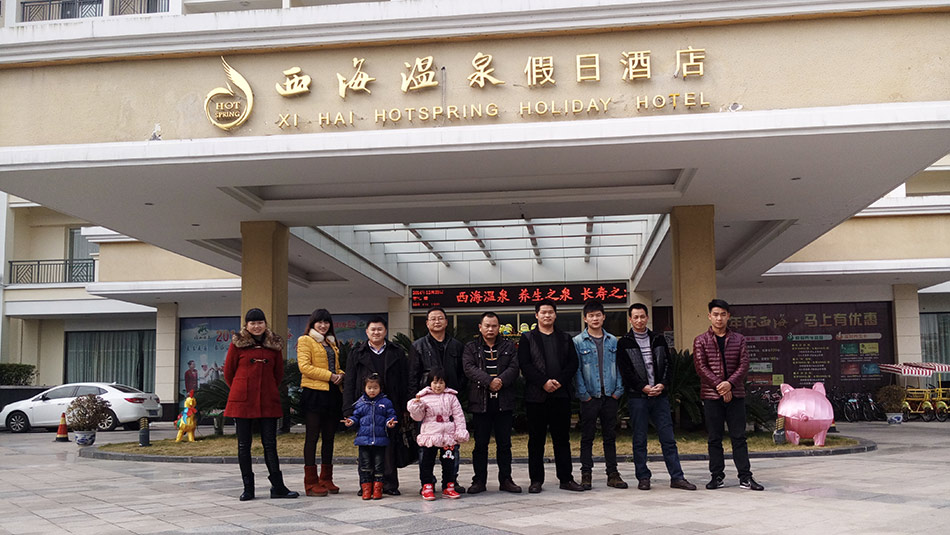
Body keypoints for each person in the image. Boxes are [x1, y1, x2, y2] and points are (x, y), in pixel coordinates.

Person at [617, 303, 697, 491]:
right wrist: (642, 387)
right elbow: (625, 371)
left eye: (642, 316)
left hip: (660, 396)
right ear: (630, 319)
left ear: (647, 318)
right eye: (635, 317)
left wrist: (663, 384)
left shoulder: (658, 339)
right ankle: (643, 477)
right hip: (638, 397)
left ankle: (677, 477)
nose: (639, 320)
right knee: (639, 439)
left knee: (668, 438)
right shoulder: (624, 343)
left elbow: (668, 364)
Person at [223, 308, 299, 501]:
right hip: (242, 401)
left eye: (260, 322)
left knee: (270, 444)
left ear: (265, 324)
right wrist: (242, 388)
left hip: (267, 401)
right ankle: (248, 488)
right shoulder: (237, 345)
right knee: (243, 446)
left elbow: (278, 374)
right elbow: (228, 373)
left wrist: (266, 388)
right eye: (253, 323)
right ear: (246, 325)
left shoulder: (274, 345)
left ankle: (278, 487)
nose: (257, 326)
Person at [693, 299, 764, 491]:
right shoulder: (701, 340)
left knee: (739, 437)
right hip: (711, 396)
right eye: (715, 314)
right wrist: (720, 386)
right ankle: (717, 476)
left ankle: (745, 477)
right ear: (709, 316)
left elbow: (744, 365)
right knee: (714, 438)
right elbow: (700, 367)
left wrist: (729, 384)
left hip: (736, 394)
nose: (719, 318)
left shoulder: (739, 339)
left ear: (728, 316)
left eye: (723, 314)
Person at [518, 299, 583, 493]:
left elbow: (573, 363)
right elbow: (525, 365)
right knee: (536, 440)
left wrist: (559, 381)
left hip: (561, 395)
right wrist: (543, 382)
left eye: (550, 312)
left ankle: (566, 479)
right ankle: (536, 480)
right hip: (536, 397)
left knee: (562, 439)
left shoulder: (565, 338)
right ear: (536, 315)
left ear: (555, 315)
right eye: (543, 312)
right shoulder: (527, 338)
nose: (547, 315)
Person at [342, 316, 409, 495]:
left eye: (380, 329)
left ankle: (389, 484)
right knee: (366, 447)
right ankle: (366, 484)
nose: (376, 332)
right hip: (364, 407)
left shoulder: (396, 352)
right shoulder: (357, 353)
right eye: (373, 329)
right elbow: (349, 382)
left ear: (385, 331)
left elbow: (404, 380)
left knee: (389, 446)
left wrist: (404, 407)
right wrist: (348, 409)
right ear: (367, 332)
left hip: (389, 406)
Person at [462, 311, 522, 494]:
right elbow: (469, 368)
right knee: (480, 444)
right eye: (487, 326)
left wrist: (500, 381)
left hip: (504, 401)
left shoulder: (508, 346)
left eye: (494, 326)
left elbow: (514, 367)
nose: (490, 329)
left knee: (504, 444)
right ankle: (479, 481)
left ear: (499, 328)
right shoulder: (471, 347)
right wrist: (489, 381)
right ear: (480, 327)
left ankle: (506, 480)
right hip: (480, 402)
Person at [409, 307, 467, 494]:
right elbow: (412, 375)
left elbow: (462, 373)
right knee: (426, 448)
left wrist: (457, 393)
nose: (437, 322)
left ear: (446, 322)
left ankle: (451, 481)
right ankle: (427, 483)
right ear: (427, 323)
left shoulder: (456, 346)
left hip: (449, 404)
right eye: (433, 319)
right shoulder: (418, 346)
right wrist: (415, 401)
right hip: (427, 407)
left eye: (440, 318)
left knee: (451, 447)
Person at [572, 299, 626, 490]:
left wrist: (618, 391)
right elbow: (576, 370)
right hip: (589, 397)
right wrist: (583, 394)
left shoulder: (613, 340)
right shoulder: (577, 342)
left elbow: (619, 367)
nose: (595, 319)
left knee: (610, 436)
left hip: (610, 395)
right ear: (585, 318)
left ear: (604, 317)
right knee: (587, 437)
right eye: (591, 316)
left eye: (598, 315)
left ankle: (613, 474)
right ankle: (586, 474)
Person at [297, 308, 345, 497]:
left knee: (329, 437)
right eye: (320, 322)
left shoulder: (331, 342)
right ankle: (310, 482)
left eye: (326, 322)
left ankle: (326, 478)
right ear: (313, 323)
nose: (323, 325)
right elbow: (304, 367)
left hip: (332, 393)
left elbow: (336, 367)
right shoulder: (305, 340)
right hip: (314, 393)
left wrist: (340, 375)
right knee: (312, 437)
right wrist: (330, 376)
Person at [408, 368, 470, 500]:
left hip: (448, 435)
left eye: (441, 383)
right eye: (435, 382)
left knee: (449, 462)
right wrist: (416, 406)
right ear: (430, 383)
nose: (438, 386)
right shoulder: (423, 397)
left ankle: (448, 486)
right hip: (430, 434)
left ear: (445, 383)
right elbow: (418, 417)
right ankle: (427, 486)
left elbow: (459, 416)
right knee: (427, 462)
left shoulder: (451, 397)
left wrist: (460, 431)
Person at [343, 374, 398, 500]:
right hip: (364, 440)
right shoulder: (360, 403)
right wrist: (351, 421)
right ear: (364, 388)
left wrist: (390, 422)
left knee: (379, 466)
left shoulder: (385, 402)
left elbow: (391, 415)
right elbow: (356, 417)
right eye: (369, 388)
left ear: (380, 388)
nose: (372, 390)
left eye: (375, 388)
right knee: (365, 466)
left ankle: (378, 489)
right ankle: (366, 489)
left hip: (380, 440)